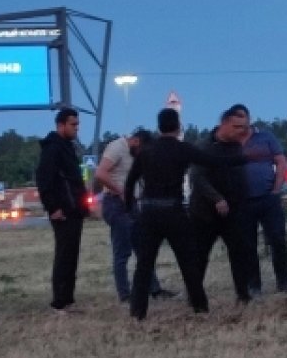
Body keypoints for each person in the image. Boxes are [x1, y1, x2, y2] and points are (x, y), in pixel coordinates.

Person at [124, 107, 247, 320]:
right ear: (178, 126)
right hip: (174, 211)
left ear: (159, 126)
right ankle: (200, 307)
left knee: (144, 264)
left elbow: (130, 182)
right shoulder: (182, 149)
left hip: (150, 212)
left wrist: (130, 209)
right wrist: (244, 158)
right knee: (188, 261)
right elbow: (213, 161)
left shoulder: (146, 151)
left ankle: (137, 311)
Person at [94, 129, 175, 303]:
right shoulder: (116, 148)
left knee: (144, 248)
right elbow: (100, 173)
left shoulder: (135, 153)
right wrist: (121, 191)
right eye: (141, 151)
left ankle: (154, 289)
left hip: (131, 204)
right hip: (116, 203)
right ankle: (125, 295)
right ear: (136, 141)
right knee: (122, 251)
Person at [187, 108, 253, 308]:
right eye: (237, 127)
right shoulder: (204, 147)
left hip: (233, 211)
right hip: (204, 213)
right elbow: (197, 177)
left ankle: (243, 294)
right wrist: (216, 198)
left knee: (240, 252)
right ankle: (195, 298)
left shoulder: (237, 147)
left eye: (244, 127)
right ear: (223, 123)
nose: (241, 131)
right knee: (199, 256)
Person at [229, 104, 287, 296]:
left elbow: (281, 161)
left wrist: (277, 188)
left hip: (268, 198)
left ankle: (283, 281)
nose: (240, 122)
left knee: (278, 240)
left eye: (242, 117)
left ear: (249, 118)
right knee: (248, 245)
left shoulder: (266, 137)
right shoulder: (230, 142)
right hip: (243, 202)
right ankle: (254, 285)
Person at [35, 107, 90, 313]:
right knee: (64, 255)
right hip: (63, 210)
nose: (77, 128)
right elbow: (44, 180)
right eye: (73, 124)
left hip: (74, 209)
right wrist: (53, 208)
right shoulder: (53, 148)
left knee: (71, 254)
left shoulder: (67, 146)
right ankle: (59, 301)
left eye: (77, 124)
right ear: (61, 125)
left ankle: (68, 298)